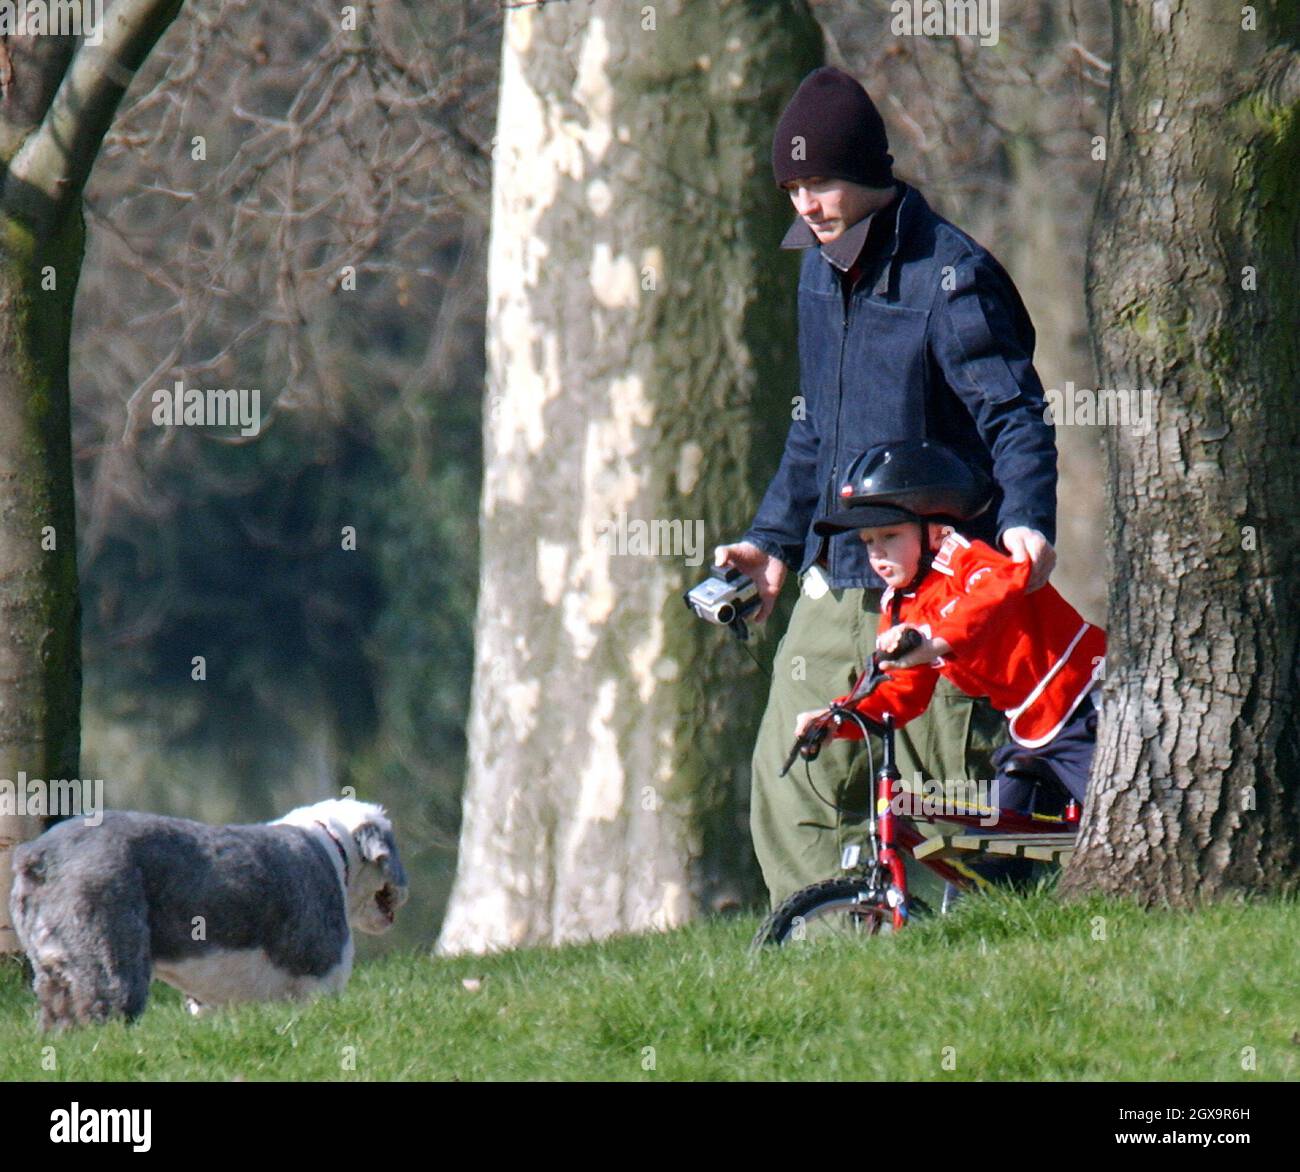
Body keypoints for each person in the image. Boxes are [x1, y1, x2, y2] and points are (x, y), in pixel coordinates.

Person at [713, 66, 1060, 908]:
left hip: (943, 585)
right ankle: (840, 964)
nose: (807, 204)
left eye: (821, 181)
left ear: (870, 170)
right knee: (791, 785)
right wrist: (772, 546)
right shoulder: (813, 272)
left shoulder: (952, 277)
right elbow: (812, 431)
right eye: (792, 186)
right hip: (835, 580)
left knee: (961, 812)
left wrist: (1026, 522)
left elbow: (1016, 411)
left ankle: (984, 974)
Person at [795, 440, 1105, 827]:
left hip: (1081, 705)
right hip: (1030, 731)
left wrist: (931, 640)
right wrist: (839, 719)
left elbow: (995, 593)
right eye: (868, 542)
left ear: (935, 533)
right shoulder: (899, 605)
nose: (877, 554)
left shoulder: (965, 560)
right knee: (989, 849)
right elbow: (902, 690)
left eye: (890, 536)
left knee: (1125, 820)